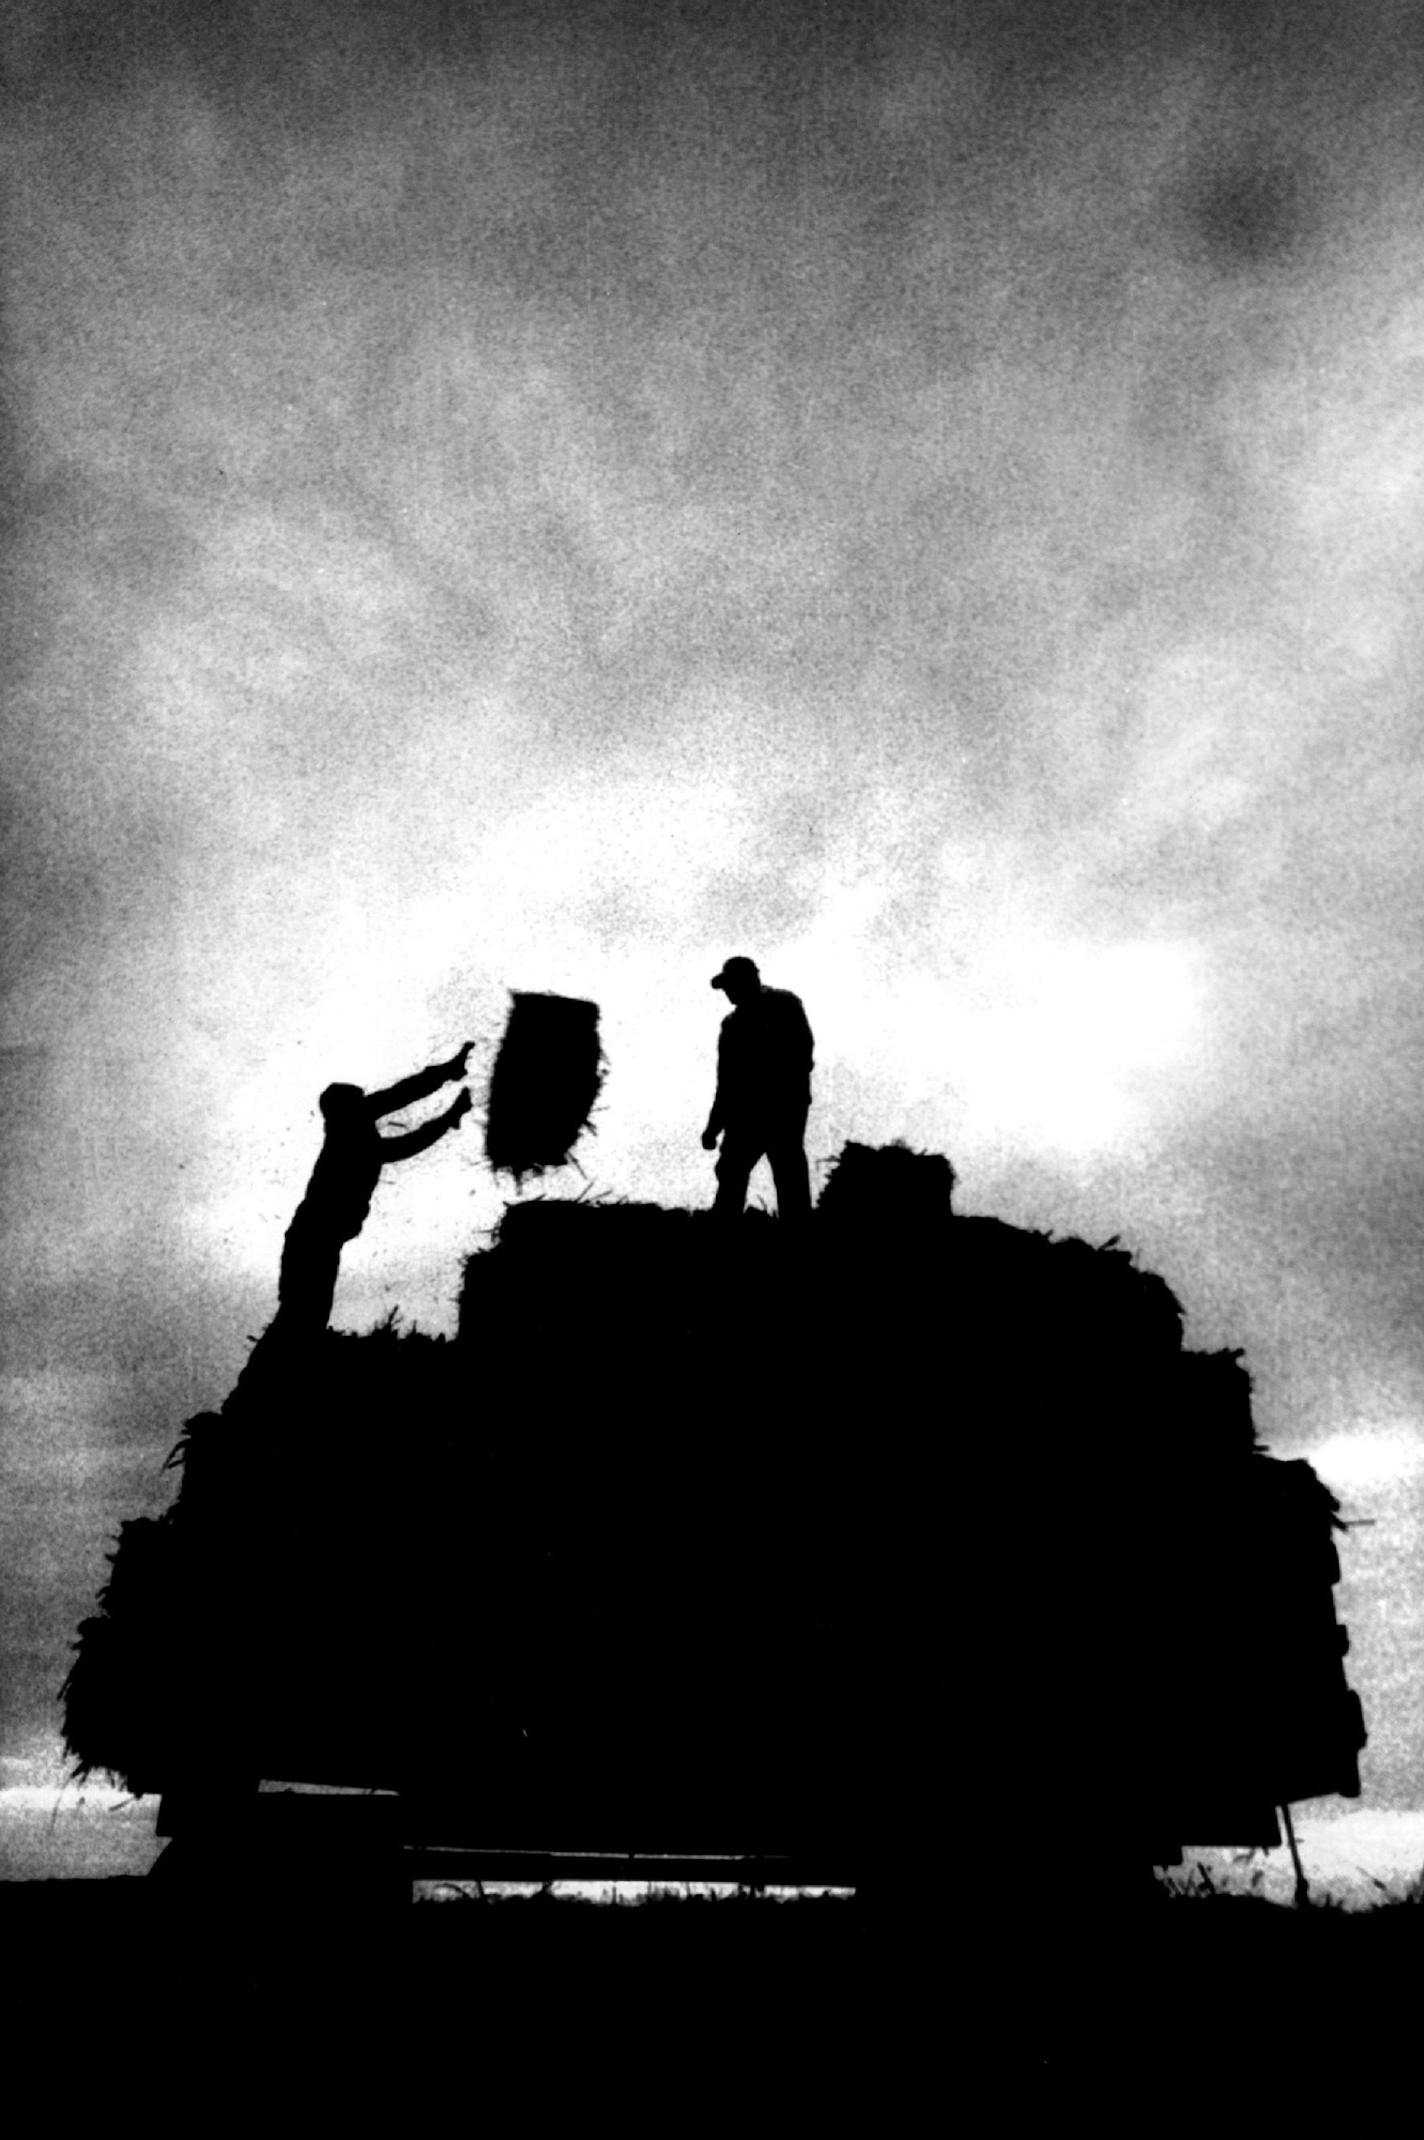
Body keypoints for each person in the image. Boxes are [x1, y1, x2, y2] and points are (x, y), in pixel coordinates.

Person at [273, 1042, 474, 1337]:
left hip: (317, 1237)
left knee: (304, 1316)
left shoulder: (351, 1126)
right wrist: (448, 1112)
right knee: (301, 1316)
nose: (370, 1103)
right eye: (362, 1101)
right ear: (348, 1109)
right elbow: (404, 1136)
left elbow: (401, 1097)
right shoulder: (352, 1137)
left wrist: (447, 1076)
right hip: (313, 1238)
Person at [702, 958, 813, 1221]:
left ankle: (799, 1232)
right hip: (745, 1112)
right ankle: (723, 1228)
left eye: (731, 985)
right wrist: (713, 1126)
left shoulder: (785, 1004)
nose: (728, 992)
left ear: (750, 981)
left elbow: (803, 1055)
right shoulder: (731, 1025)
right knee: (730, 1171)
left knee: (788, 1172)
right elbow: (726, 1080)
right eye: (725, 987)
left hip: (783, 1108)